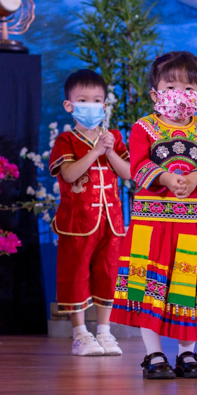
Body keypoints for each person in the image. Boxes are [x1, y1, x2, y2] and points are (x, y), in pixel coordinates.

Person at [110, 51, 197, 379]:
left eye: (189, 87)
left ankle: (187, 355)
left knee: (185, 289)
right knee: (150, 290)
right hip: (151, 223)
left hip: (190, 225)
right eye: (171, 84)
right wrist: (164, 178)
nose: (181, 92)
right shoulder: (143, 128)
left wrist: (194, 178)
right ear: (155, 93)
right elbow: (137, 165)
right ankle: (154, 354)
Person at [49, 69, 131, 356]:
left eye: (97, 100)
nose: (91, 105)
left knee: (109, 273)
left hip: (112, 221)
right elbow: (69, 175)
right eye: (83, 100)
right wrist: (94, 153)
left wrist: (108, 152)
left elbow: (129, 173)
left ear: (104, 106)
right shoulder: (65, 141)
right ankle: (80, 334)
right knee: (76, 274)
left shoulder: (114, 138)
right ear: (70, 106)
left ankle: (105, 332)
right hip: (78, 222)